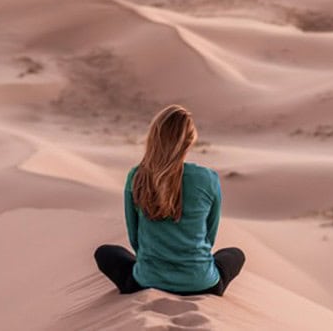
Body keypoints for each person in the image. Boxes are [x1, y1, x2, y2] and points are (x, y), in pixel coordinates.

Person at [94, 104, 246, 296]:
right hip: (202, 283)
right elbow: (210, 236)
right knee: (234, 254)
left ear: (153, 138)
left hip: (146, 281)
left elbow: (135, 238)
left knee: (106, 253)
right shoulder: (208, 178)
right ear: (190, 141)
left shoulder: (137, 176)